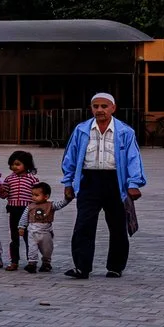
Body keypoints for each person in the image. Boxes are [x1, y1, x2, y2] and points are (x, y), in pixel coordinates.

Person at [60, 92, 146, 279]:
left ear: (113, 108)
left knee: (117, 226)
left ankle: (115, 267)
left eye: (104, 106)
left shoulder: (125, 132)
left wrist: (133, 183)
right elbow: (70, 158)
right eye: (96, 106)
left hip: (116, 182)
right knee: (84, 224)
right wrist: (68, 183)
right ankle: (82, 267)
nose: (99, 110)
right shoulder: (82, 130)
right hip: (89, 181)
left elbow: (134, 159)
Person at [0, 150, 40, 271]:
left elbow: (38, 196)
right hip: (13, 210)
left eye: (17, 164)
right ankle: (14, 261)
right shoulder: (8, 179)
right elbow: (3, 195)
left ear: (26, 165)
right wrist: (1, 190)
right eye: (12, 164)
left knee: (29, 236)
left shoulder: (32, 180)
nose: (14, 167)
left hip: (27, 211)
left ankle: (31, 261)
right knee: (14, 236)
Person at [22, 182, 72, 273]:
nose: (33, 197)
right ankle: (32, 263)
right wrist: (21, 227)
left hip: (46, 232)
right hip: (32, 231)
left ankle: (46, 263)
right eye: (32, 195)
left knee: (47, 249)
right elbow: (24, 217)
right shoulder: (30, 206)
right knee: (32, 248)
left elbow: (61, 204)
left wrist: (67, 199)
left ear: (46, 196)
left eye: (36, 195)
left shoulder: (51, 205)